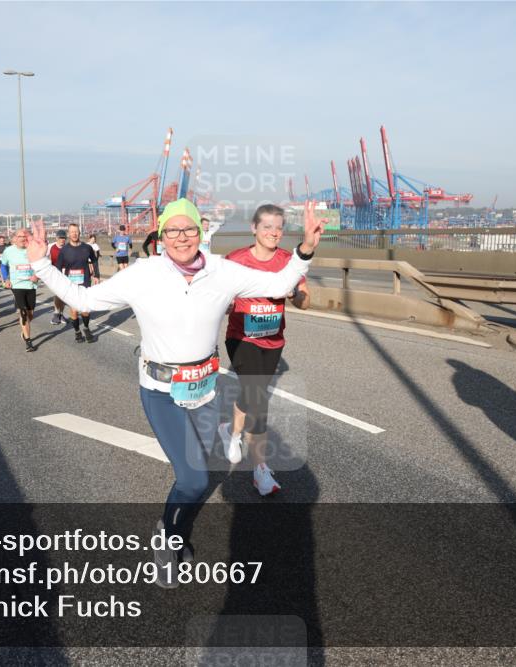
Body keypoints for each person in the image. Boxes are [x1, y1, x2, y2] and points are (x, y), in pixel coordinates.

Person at [26, 198, 323, 587]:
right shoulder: (143, 274)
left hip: (204, 389)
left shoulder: (222, 271)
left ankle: (176, 531)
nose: (181, 238)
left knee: (195, 474)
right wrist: (40, 264)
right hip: (161, 391)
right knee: (195, 480)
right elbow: (82, 301)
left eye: (189, 230)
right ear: (160, 236)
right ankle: (166, 538)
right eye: (173, 231)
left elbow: (280, 284)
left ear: (200, 232)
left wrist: (305, 251)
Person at [220, 204, 310, 496]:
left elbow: (306, 301)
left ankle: (231, 431)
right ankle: (260, 470)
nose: (273, 232)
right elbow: (219, 298)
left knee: (251, 394)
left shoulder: (288, 260)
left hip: (273, 340)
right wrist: (229, 303)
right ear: (254, 229)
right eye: (267, 226)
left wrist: (295, 293)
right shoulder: (235, 260)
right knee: (259, 398)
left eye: (278, 227)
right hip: (241, 337)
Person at [57, 223, 100, 343]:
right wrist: (59, 284)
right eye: (72, 232)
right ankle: (77, 331)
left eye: (76, 231)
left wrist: (96, 275)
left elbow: (94, 261)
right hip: (70, 284)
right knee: (74, 310)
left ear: (79, 233)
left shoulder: (87, 247)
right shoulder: (64, 250)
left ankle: (86, 328)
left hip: (85, 281)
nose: (74, 234)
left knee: (85, 309)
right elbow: (58, 268)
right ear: (69, 234)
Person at [0, 228, 39, 352]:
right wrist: (6, 279)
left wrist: (36, 275)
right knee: (23, 312)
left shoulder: (32, 249)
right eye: (20, 236)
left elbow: (40, 264)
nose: (22, 238)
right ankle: (28, 341)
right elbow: (4, 265)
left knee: (30, 313)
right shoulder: (8, 251)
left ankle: (24, 330)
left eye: (24, 236)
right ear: (15, 238)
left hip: (31, 284)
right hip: (16, 285)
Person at [48, 230, 67, 326]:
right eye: (60, 238)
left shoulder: (68, 247)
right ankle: (56, 313)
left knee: (64, 295)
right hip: (55, 272)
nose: (62, 240)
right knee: (57, 293)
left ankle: (61, 314)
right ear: (56, 238)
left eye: (64, 238)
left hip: (66, 273)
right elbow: (44, 257)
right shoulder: (51, 247)